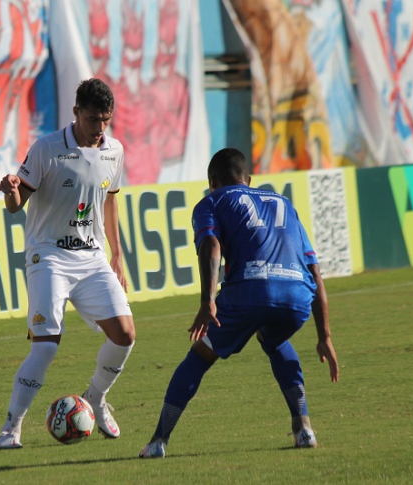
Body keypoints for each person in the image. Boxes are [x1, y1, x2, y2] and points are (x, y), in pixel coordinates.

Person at [139, 147, 339, 458]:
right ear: (248, 179)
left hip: (249, 291)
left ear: (212, 181)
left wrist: (208, 301)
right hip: (298, 296)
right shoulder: (285, 203)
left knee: (199, 357)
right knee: (274, 339)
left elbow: (211, 245)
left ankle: (157, 441)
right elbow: (315, 270)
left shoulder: (212, 201)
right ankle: (304, 429)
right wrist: (324, 336)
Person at [0, 78, 135, 449]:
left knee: (125, 334)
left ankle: (97, 398)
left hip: (92, 259)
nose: (99, 128)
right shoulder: (47, 149)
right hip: (49, 256)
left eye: (105, 119)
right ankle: (12, 426)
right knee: (45, 347)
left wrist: (116, 255)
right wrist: (10, 191)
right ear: (75, 113)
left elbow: (110, 200)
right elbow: (16, 204)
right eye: (92, 119)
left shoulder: (114, 150)